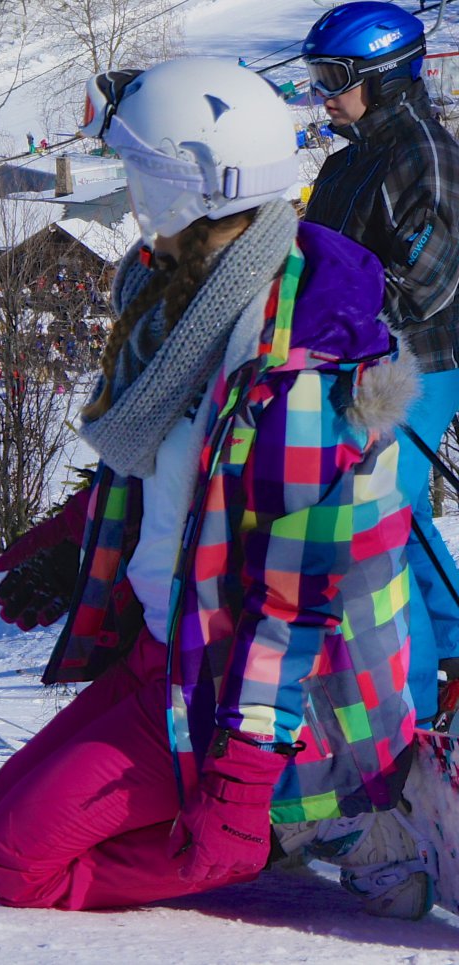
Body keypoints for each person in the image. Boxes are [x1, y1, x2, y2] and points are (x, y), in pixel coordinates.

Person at [0, 59, 427, 919]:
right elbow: (176, 474)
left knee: (13, 861)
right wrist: (76, 538)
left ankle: (271, 832)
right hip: (164, 651)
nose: (133, 199)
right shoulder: (193, 298)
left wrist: (242, 779)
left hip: (237, 691)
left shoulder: (298, 370)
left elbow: (294, 596)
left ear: (192, 187)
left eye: (143, 175)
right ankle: (266, 828)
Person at [300, 1, 459, 728]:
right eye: (315, 75)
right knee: (402, 515)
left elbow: (430, 280)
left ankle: (414, 711)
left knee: (380, 527)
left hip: (413, 365)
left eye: (335, 75)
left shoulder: (420, 151)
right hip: (355, 367)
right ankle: (453, 649)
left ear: (387, 77)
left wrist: (334, 319)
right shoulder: (349, 159)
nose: (322, 92)